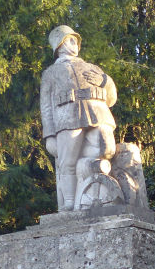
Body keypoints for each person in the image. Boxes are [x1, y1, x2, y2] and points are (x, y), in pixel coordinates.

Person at [40, 26, 118, 211]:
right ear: (60, 45)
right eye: (71, 39)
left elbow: (112, 98)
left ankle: (91, 181)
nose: (76, 44)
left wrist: (104, 82)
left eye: (76, 40)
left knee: (107, 149)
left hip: (98, 114)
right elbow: (45, 106)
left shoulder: (92, 68)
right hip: (67, 118)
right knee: (67, 161)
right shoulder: (50, 73)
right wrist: (49, 134)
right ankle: (69, 201)